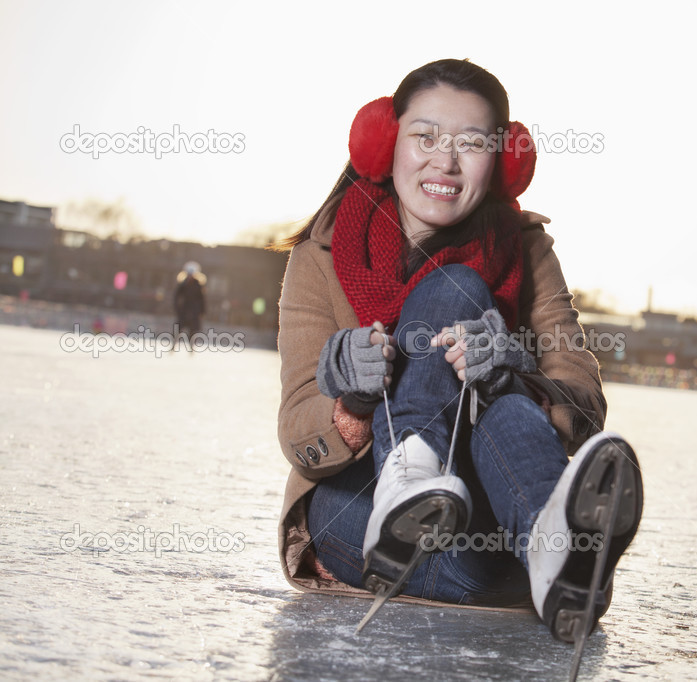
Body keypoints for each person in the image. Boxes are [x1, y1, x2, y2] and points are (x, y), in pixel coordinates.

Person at [273, 59, 643, 644]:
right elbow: (299, 434)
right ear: (385, 144)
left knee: (507, 399)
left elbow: (586, 408)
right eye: (425, 137)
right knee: (461, 290)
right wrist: (352, 401)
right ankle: (440, 505)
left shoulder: (528, 250)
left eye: (470, 144)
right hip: (357, 509)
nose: (444, 162)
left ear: (501, 162)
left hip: (489, 519)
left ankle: (552, 551)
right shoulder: (316, 257)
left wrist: (512, 373)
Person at [173, 261, 206, 351]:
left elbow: (202, 300)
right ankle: (173, 346)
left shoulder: (199, 286)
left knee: (193, 331)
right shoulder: (182, 285)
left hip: (194, 311)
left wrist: (202, 312)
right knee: (177, 329)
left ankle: (191, 348)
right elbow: (176, 297)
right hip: (183, 311)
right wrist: (177, 309)